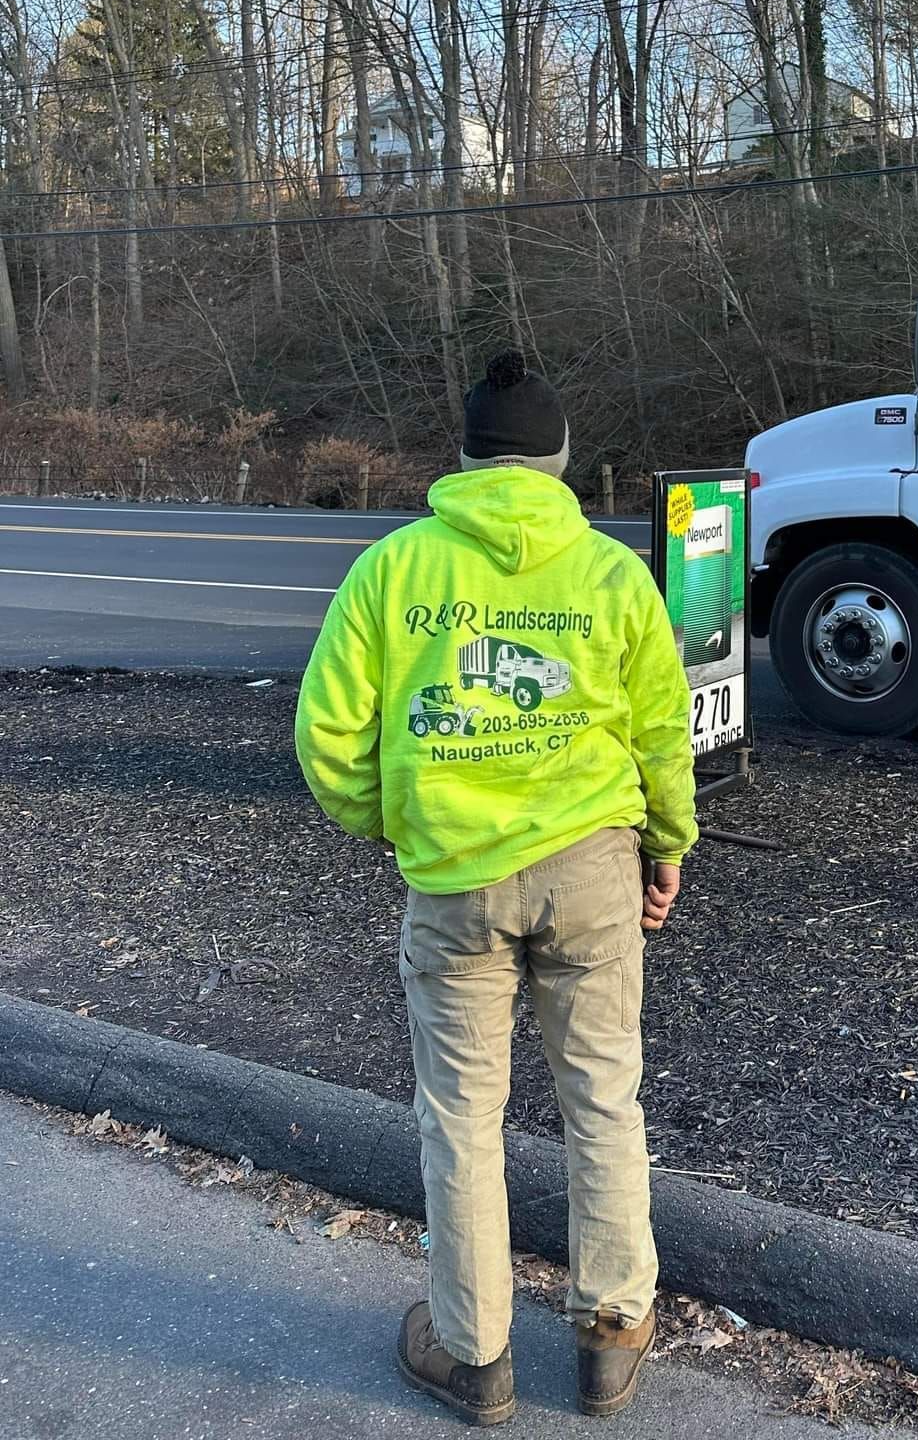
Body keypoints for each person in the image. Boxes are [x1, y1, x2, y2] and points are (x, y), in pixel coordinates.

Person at [295, 351, 696, 1426]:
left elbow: (325, 734)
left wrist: (395, 818)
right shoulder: (611, 573)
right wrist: (669, 842)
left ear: (464, 458)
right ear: (563, 460)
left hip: (454, 881)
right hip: (594, 870)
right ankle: (612, 1337)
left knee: (461, 1117)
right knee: (604, 1096)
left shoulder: (395, 568)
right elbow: (662, 727)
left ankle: (473, 1354)